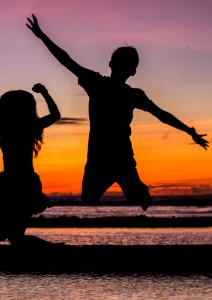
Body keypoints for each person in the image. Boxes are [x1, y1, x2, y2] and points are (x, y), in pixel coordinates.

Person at [26, 15, 209, 211]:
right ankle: (139, 191)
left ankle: (140, 191)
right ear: (114, 65)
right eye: (120, 62)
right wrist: (42, 36)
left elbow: (161, 114)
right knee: (89, 198)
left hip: (120, 157)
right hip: (99, 157)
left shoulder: (126, 92)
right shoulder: (98, 84)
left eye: (125, 65)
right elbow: (66, 61)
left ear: (128, 70)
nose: (121, 67)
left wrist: (189, 130)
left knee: (129, 197)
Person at [0, 83, 61, 245]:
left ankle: (50, 248)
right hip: (25, 182)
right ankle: (49, 248)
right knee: (13, 235)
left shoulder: (3, 128)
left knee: (11, 236)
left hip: (10, 182)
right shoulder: (30, 126)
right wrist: (45, 93)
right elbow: (55, 115)